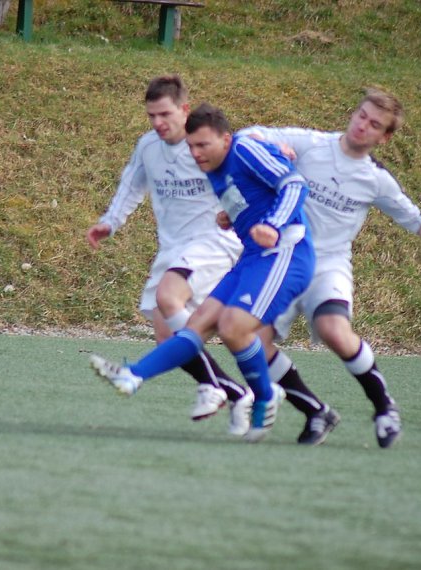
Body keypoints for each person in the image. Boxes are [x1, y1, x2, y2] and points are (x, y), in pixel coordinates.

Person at [236, 87, 421, 448]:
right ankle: (316, 411)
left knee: (335, 331)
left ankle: (384, 408)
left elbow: (414, 218)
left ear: (385, 137)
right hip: (281, 261)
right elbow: (248, 135)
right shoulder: (311, 144)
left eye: (374, 124)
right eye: (361, 115)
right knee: (250, 340)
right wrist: (271, 148)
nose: (363, 125)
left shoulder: (376, 179)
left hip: (327, 266)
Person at [90, 103, 315, 442]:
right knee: (195, 328)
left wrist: (272, 222)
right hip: (253, 257)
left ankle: (264, 396)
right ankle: (132, 377)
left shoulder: (244, 147)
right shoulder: (214, 166)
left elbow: (294, 184)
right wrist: (232, 216)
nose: (195, 153)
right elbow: (247, 196)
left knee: (233, 327)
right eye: (192, 146)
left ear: (225, 138)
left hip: (286, 252)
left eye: (203, 145)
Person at [86, 75, 252, 434]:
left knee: (168, 297)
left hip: (214, 240)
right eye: (151, 116)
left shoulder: (206, 147)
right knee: (167, 337)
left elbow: (245, 176)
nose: (158, 123)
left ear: (184, 110)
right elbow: (131, 186)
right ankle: (236, 391)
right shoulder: (148, 147)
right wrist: (109, 223)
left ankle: (208, 386)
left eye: (165, 114)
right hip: (174, 248)